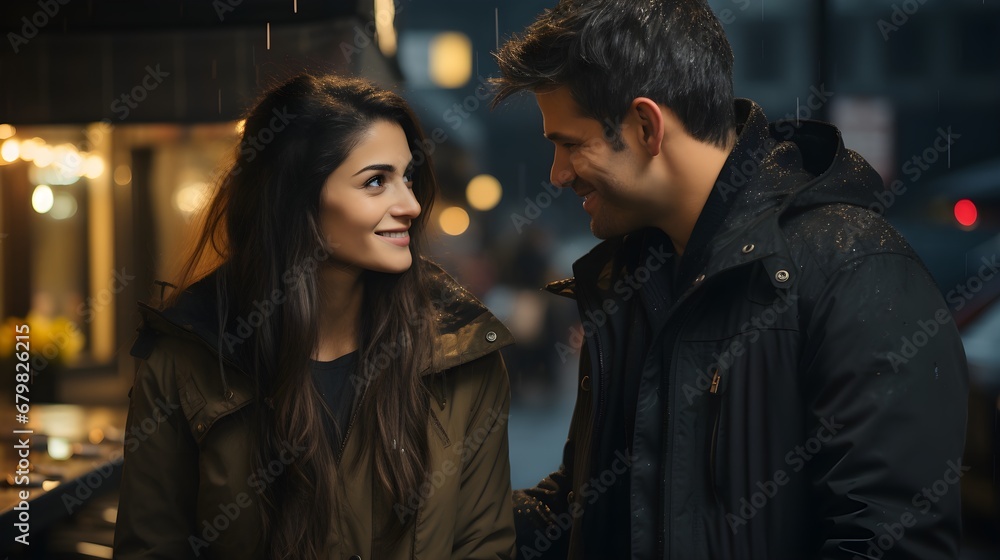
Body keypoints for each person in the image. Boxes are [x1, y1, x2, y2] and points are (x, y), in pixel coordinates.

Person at [491, 1, 969, 559]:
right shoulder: (631, 279)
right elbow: (589, 509)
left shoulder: (854, 267)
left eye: (570, 144)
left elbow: (891, 543)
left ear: (647, 126)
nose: (557, 173)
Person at [114, 74, 516, 560]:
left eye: (407, 176)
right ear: (296, 198)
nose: (410, 204)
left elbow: (484, 546)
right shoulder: (185, 357)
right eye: (375, 181)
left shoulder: (461, 353)